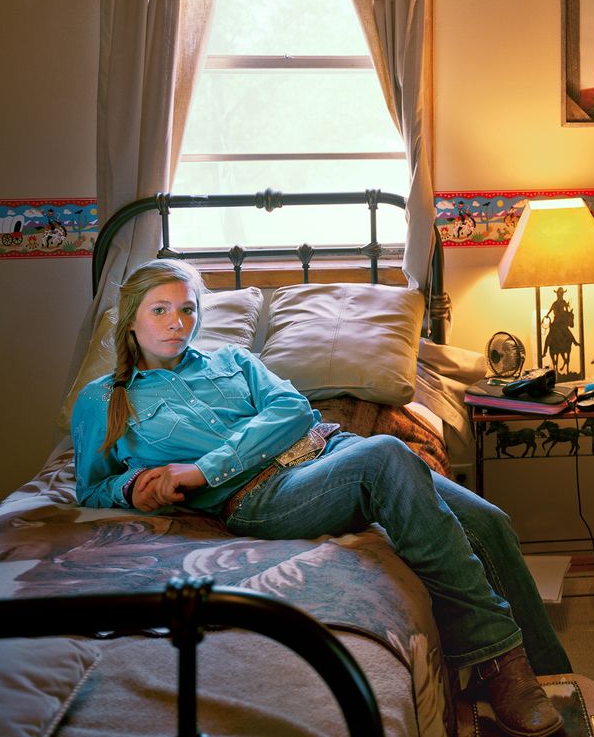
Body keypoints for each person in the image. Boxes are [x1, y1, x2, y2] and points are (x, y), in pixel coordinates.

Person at [71, 259, 568, 737]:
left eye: (188, 309)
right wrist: (131, 486)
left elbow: (292, 408)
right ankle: (496, 662)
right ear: (130, 316)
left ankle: (553, 678)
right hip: (261, 494)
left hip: (329, 447)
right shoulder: (102, 398)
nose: (177, 323)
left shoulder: (232, 359)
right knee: (387, 456)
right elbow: (92, 486)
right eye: (160, 309)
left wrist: (203, 468)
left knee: (490, 522)